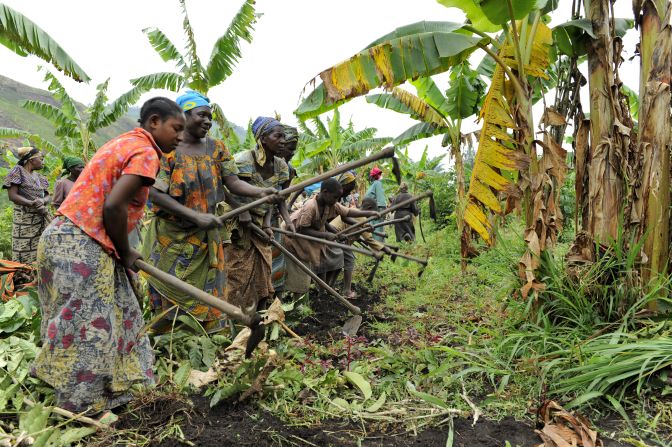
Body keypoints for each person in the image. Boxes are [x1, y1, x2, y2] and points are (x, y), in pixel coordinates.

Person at [31, 97, 185, 414]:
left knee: (123, 311)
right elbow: (113, 206)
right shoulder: (145, 152)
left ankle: (117, 390)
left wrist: (119, 253)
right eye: (176, 128)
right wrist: (126, 252)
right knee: (90, 328)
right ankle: (81, 409)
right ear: (154, 121)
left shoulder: (125, 142)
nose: (180, 137)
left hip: (70, 240)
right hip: (80, 243)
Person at [141, 92, 277, 333]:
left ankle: (207, 339)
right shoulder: (167, 150)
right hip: (171, 239)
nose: (207, 121)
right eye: (201, 115)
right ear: (183, 115)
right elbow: (155, 193)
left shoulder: (217, 148)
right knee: (172, 294)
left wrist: (260, 192)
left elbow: (233, 183)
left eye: (210, 117)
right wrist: (194, 216)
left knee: (210, 294)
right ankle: (168, 342)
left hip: (207, 240)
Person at [225, 116, 293, 311]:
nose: (283, 140)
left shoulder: (281, 167)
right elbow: (226, 189)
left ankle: (260, 316)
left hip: (258, 223)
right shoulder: (243, 161)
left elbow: (272, 198)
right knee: (238, 274)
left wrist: (265, 223)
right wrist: (242, 212)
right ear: (263, 138)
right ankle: (237, 318)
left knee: (264, 272)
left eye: (284, 136)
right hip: (236, 222)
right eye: (277, 136)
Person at [283, 177, 378, 288]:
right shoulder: (310, 206)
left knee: (317, 264)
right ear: (325, 193)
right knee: (299, 273)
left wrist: (370, 213)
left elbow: (347, 212)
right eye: (335, 197)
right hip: (292, 237)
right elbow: (303, 229)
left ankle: (319, 289)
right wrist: (326, 234)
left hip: (308, 237)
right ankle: (297, 295)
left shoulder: (330, 204)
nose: (337, 200)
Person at [330, 197, 391, 298]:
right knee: (349, 260)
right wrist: (384, 248)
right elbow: (369, 239)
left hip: (334, 236)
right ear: (369, 208)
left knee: (341, 262)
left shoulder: (355, 212)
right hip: (335, 237)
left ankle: (330, 287)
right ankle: (347, 292)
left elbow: (360, 231)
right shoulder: (360, 216)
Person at [2, 146, 51, 265]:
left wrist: (43, 201)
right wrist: (31, 203)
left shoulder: (40, 178)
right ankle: (22, 277)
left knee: (41, 249)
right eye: (40, 158)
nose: (42, 161)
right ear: (31, 159)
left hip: (40, 219)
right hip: (25, 220)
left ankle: (36, 275)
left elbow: (48, 196)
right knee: (23, 249)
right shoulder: (17, 171)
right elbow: (12, 196)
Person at [270, 124, 299, 297]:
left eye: (293, 151)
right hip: (249, 220)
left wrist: (288, 222)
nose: (290, 155)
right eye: (288, 149)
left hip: (272, 221)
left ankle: (274, 306)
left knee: (277, 266)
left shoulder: (287, 170)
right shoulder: (251, 161)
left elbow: (281, 201)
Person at [365, 166, 387, 241]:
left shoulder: (377, 183)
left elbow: (381, 199)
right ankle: (375, 246)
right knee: (372, 230)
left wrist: (382, 212)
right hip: (370, 212)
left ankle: (379, 246)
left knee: (377, 230)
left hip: (377, 212)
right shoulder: (372, 185)